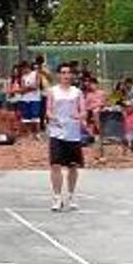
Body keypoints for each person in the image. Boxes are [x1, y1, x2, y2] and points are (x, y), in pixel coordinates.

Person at [46, 63, 87, 212]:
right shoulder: (52, 91)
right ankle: (57, 197)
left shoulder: (77, 92)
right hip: (57, 132)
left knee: (73, 166)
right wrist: (53, 118)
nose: (66, 76)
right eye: (63, 73)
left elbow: (84, 111)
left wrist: (79, 116)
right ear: (59, 75)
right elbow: (49, 110)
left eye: (68, 73)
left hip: (72, 134)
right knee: (55, 165)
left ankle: (71, 195)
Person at [19, 61, 43, 139]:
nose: (23, 70)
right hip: (25, 99)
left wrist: (27, 89)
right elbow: (22, 89)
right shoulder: (23, 77)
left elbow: (36, 86)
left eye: (23, 68)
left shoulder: (35, 74)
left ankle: (37, 133)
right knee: (26, 117)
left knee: (35, 117)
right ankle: (28, 133)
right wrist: (28, 89)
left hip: (35, 99)